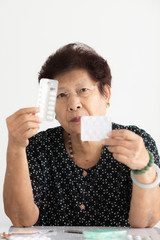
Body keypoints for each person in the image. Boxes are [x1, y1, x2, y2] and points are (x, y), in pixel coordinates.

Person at [3, 43, 160, 228]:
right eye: (61, 95)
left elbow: (146, 223)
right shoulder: (39, 146)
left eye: (83, 90)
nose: (73, 104)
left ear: (106, 94)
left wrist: (144, 167)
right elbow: (21, 219)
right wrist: (15, 145)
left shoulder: (136, 142)